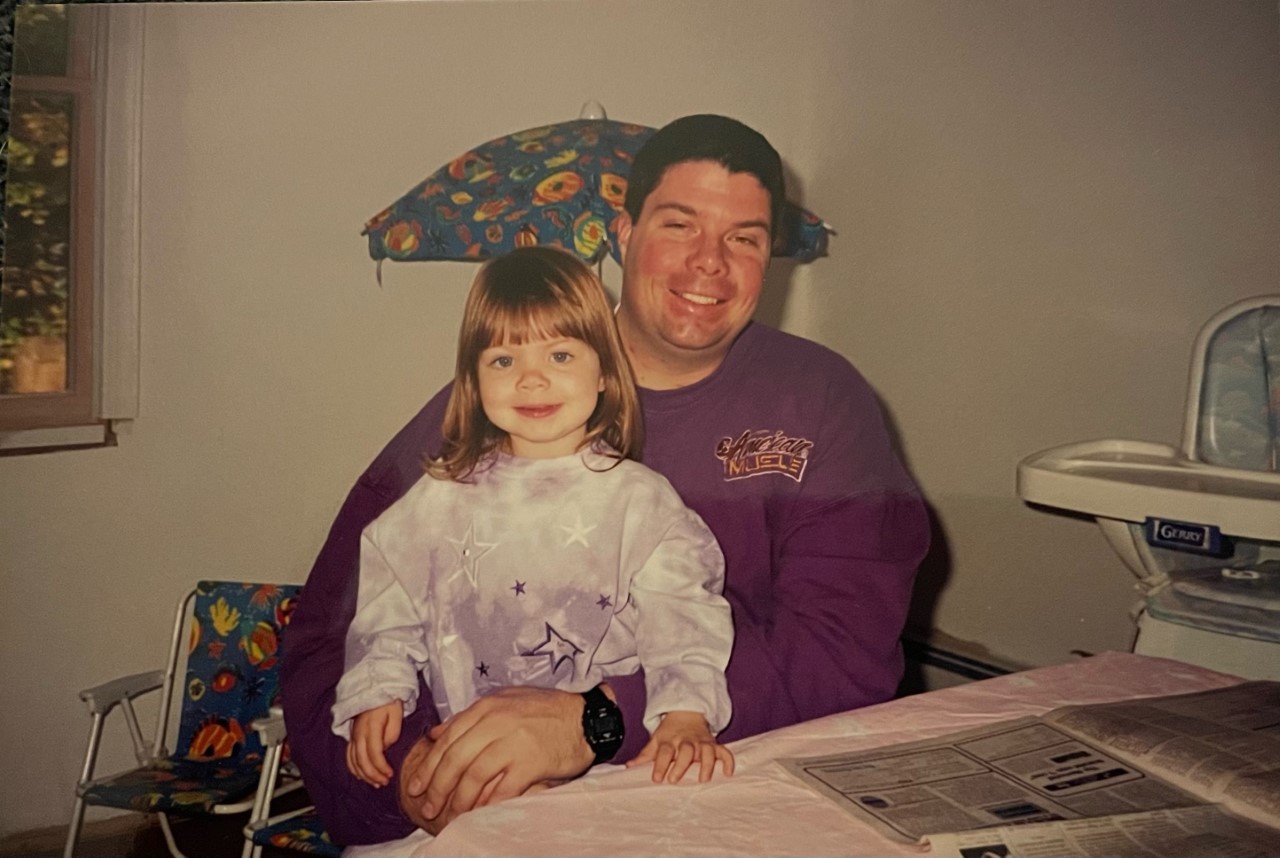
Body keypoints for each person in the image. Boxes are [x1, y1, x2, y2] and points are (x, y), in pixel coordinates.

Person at [280, 113, 931, 846]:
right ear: (623, 233)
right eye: (680, 225)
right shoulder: (491, 418)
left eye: (744, 238)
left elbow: (844, 656)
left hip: (717, 799)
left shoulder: (820, 401)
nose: (709, 262)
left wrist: (595, 718)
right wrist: (420, 775)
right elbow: (327, 633)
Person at [332, 246, 735, 791]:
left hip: (602, 777)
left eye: (561, 356)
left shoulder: (639, 503)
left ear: (605, 375)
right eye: (503, 361)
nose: (531, 379)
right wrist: (377, 687)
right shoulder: (439, 498)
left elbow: (683, 618)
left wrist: (686, 712)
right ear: (473, 384)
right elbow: (389, 606)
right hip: (473, 767)